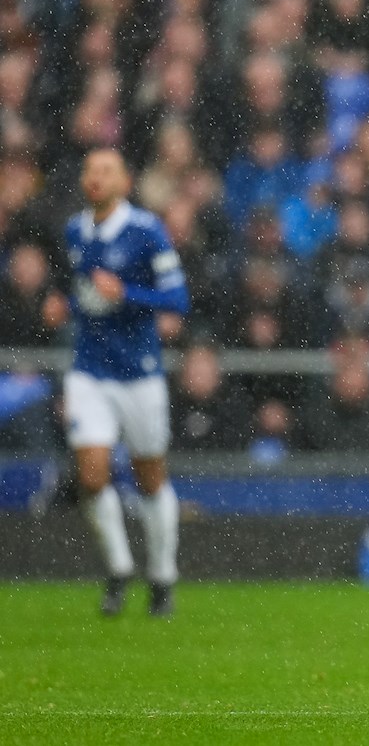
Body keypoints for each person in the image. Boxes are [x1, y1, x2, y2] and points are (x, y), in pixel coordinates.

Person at [42, 148, 190, 617]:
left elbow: (178, 299)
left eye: (106, 171)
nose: (96, 178)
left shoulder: (146, 231)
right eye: (90, 170)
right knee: (91, 473)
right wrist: (65, 304)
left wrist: (127, 294)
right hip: (90, 369)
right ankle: (120, 568)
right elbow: (83, 290)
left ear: (125, 181)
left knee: (150, 478)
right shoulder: (74, 231)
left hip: (140, 373)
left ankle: (162, 576)